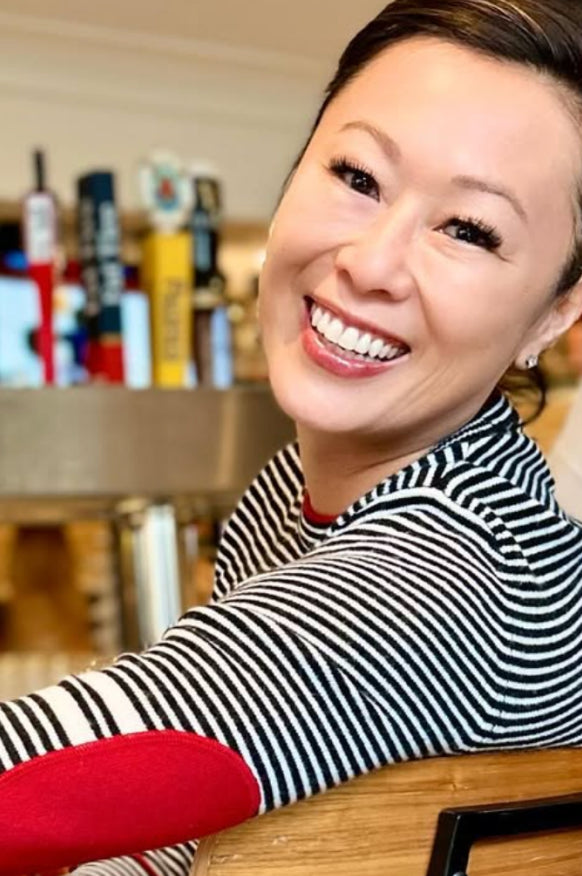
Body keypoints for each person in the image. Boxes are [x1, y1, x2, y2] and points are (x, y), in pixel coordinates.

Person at [3, 0, 582, 873]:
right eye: (357, 175)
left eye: (468, 230)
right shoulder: (287, 491)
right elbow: (185, 833)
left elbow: (55, 780)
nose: (371, 263)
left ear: (554, 314)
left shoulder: (457, 572)